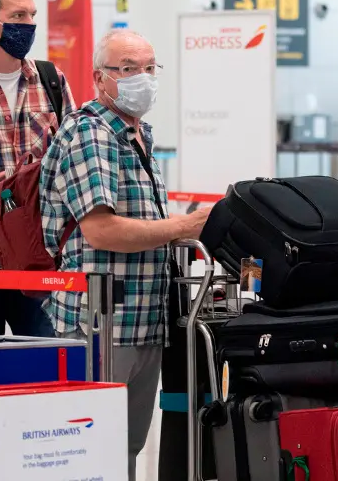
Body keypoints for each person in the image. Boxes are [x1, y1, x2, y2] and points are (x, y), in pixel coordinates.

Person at [39, 29, 212, 481]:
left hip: (143, 320)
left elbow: (139, 224)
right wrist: (185, 227)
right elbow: (101, 230)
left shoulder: (137, 135)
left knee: (126, 448)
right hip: (100, 322)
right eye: (128, 69)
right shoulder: (91, 134)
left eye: (150, 67)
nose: (143, 78)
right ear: (100, 78)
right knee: (93, 453)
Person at [0, 0, 76, 338]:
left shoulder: (50, 79)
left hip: (38, 245)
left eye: (32, 15)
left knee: (50, 359)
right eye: (19, 16)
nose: (29, 25)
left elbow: (73, 151)